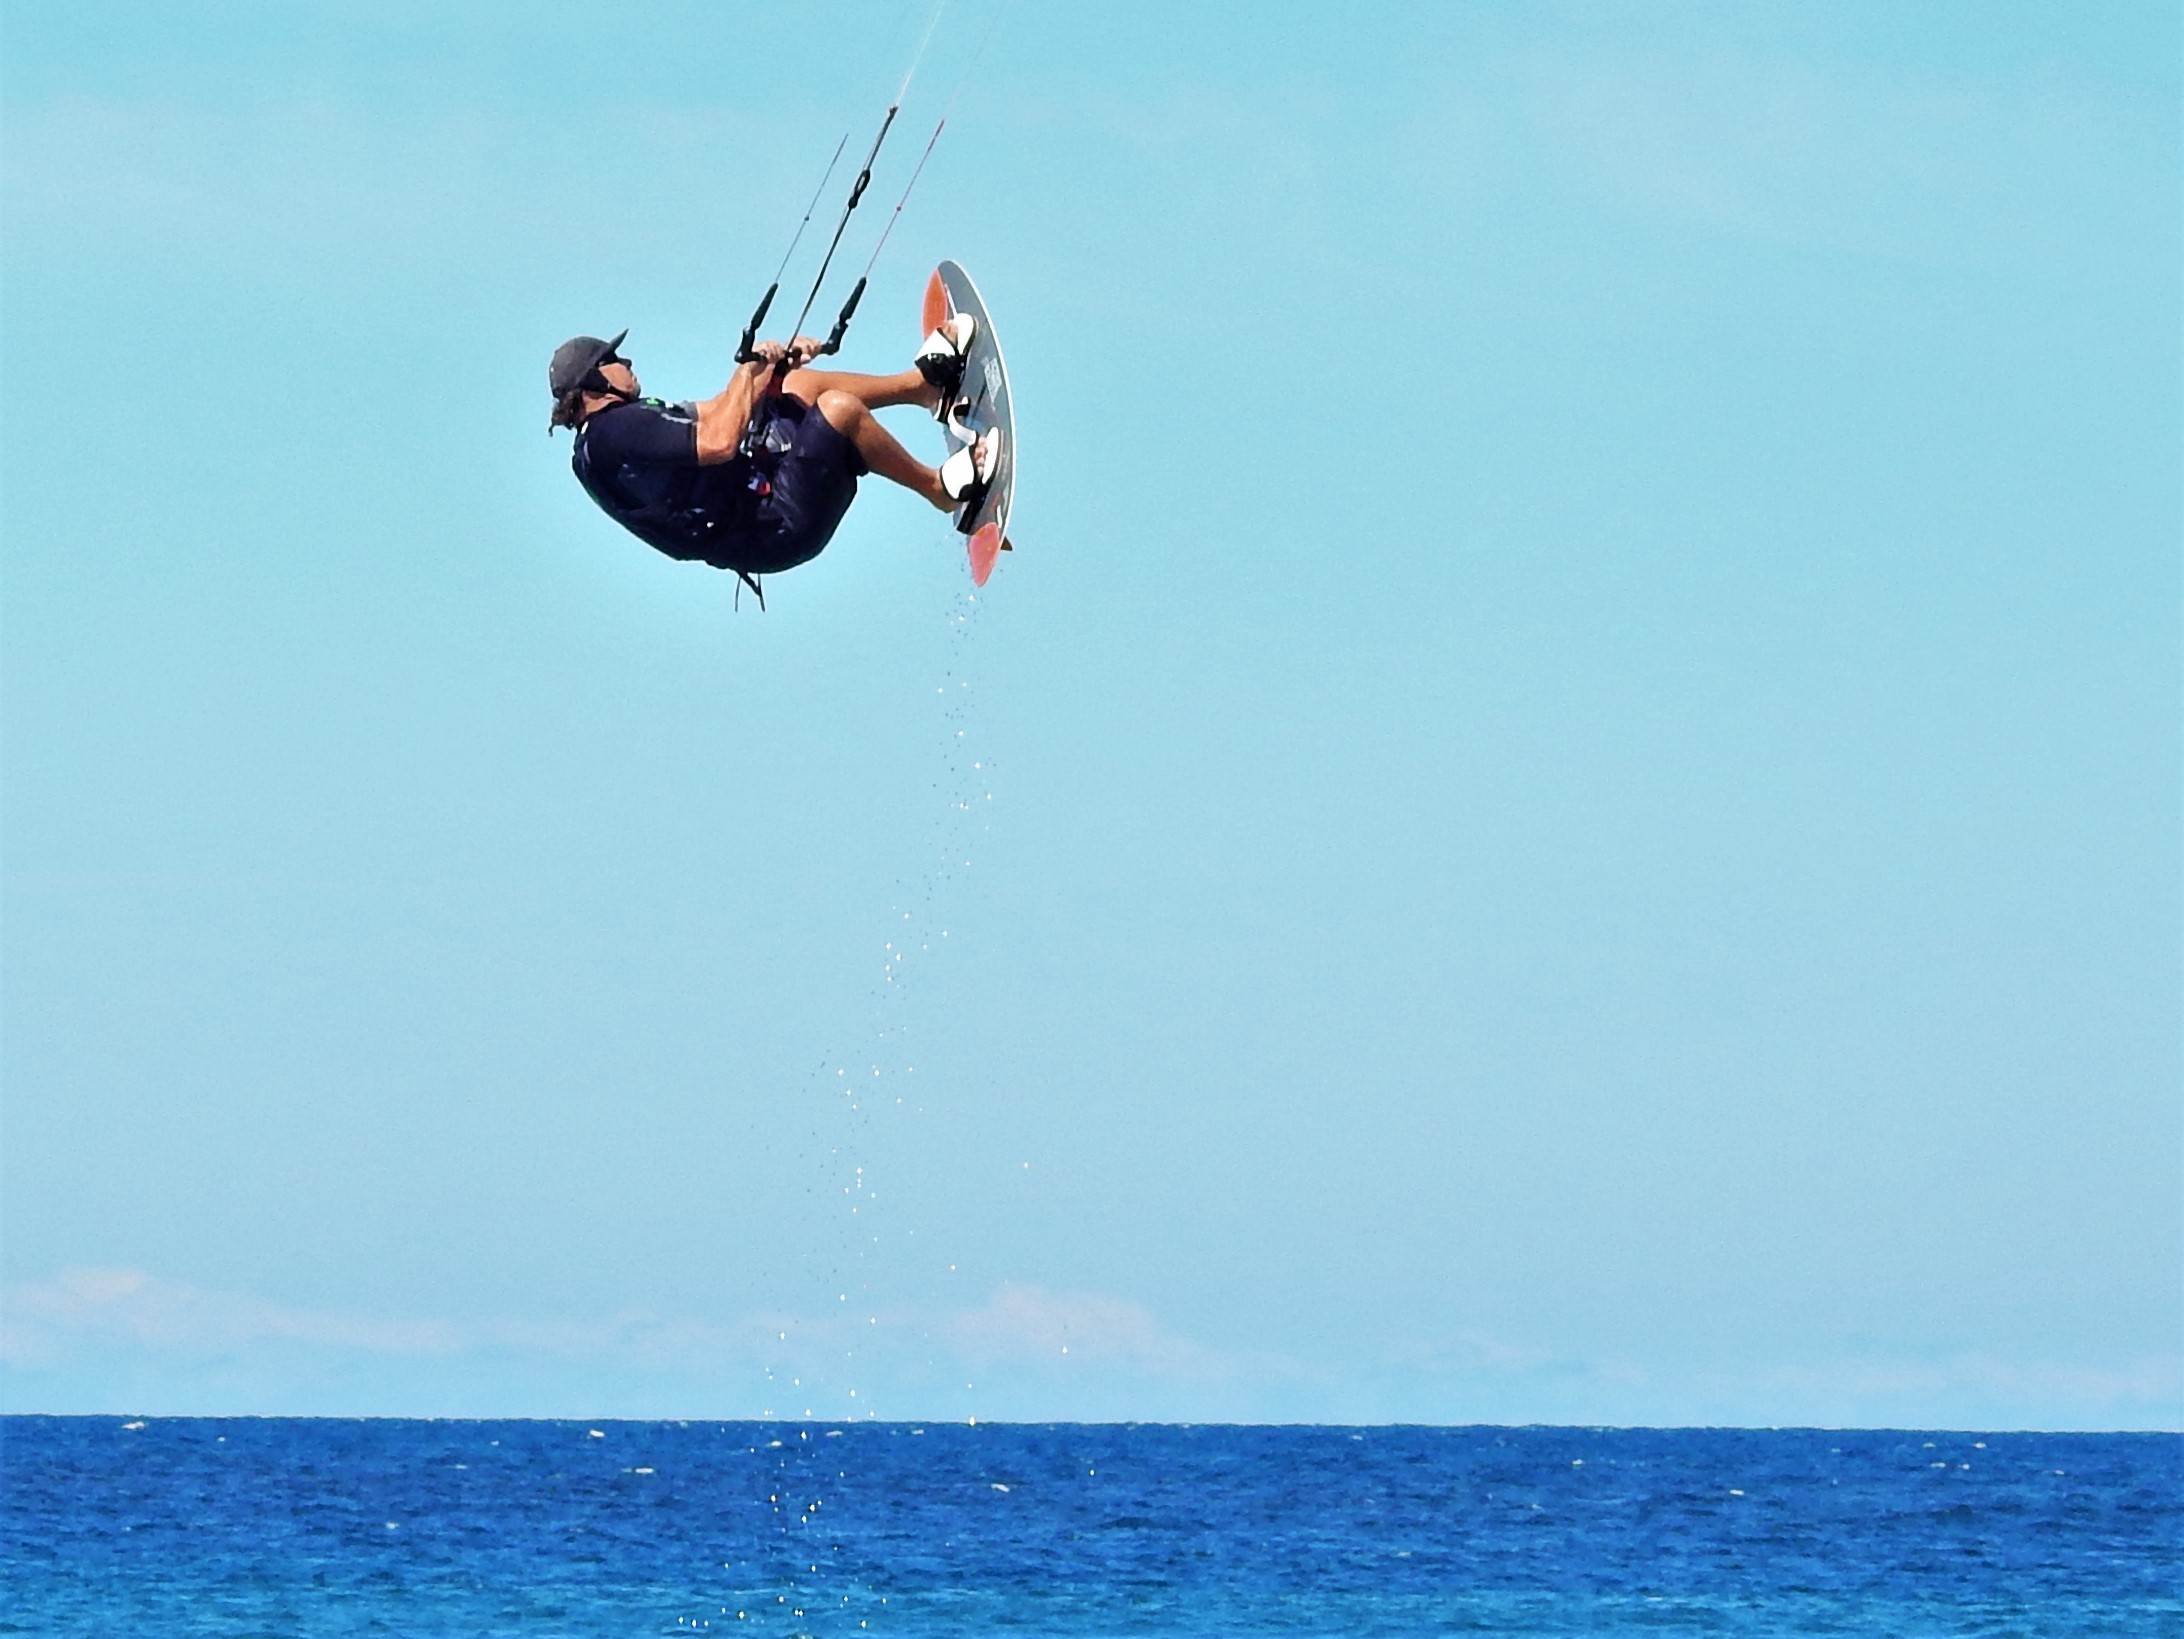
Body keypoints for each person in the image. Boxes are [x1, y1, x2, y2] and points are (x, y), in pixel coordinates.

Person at [547, 325, 999, 593]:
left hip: (758, 497)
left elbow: (717, 410)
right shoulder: (614, 432)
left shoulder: (606, 438)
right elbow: (721, 441)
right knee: (838, 410)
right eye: (613, 358)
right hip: (776, 525)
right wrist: (749, 372)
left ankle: (923, 388)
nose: (626, 361)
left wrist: (767, 370)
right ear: (594, 383)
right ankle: (939, 490)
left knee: (796, 387)